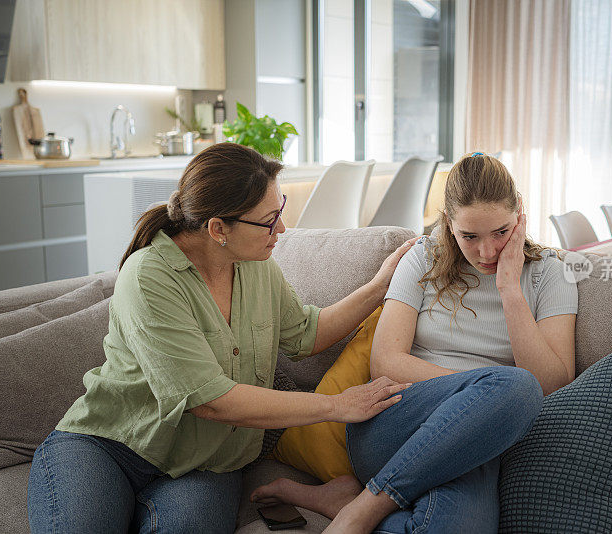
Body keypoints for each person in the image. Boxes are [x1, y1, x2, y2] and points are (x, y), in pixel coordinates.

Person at [26, 142, 417, 533]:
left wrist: (379, 286)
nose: (281, 228)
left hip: (208, 464)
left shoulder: (255, 265)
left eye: (279, 211)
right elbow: (209, 401)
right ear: (218, 229)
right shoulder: (149, 276)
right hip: (109, 445)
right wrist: (336, 406)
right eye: (269, 220)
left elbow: (305, 334)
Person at [250, 152, 579, 533]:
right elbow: (386, 364)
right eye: (469, 236)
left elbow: (552, 385)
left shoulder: (551, 274)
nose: (487, 252)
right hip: (393, 422)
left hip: (480, 437)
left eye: (501, 232)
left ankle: (351, 502)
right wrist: (476, 393)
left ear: (520, 212)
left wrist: (509, 289)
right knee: (514, 385)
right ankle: (363, 509)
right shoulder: (423, 257)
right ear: (448, 223)